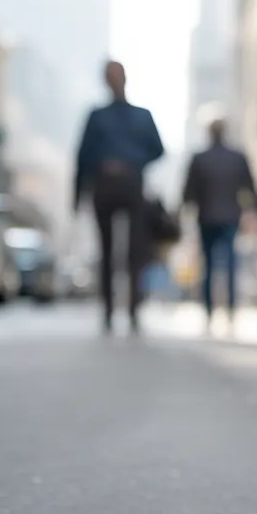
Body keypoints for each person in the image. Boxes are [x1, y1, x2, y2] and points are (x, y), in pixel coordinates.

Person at [74, 60, 165, 335]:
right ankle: (108, 311)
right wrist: (77, 197)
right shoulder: (96, 116)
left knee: (136, 250)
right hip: (103, 188)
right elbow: (82, 157)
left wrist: (131, 162)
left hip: (132, 186)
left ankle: (135, 309)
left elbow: (158, 149)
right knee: (107, 250)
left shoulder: (142, 115)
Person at [181, 117, 257, 332]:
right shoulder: (237, 158)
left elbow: (188, 193)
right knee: (231, 265)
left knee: (209, 267)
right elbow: (250, 189)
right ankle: (230, 311)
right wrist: (251, 212)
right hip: (230, 217)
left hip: (207, 217)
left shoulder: (200, 158)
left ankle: (209, 312)